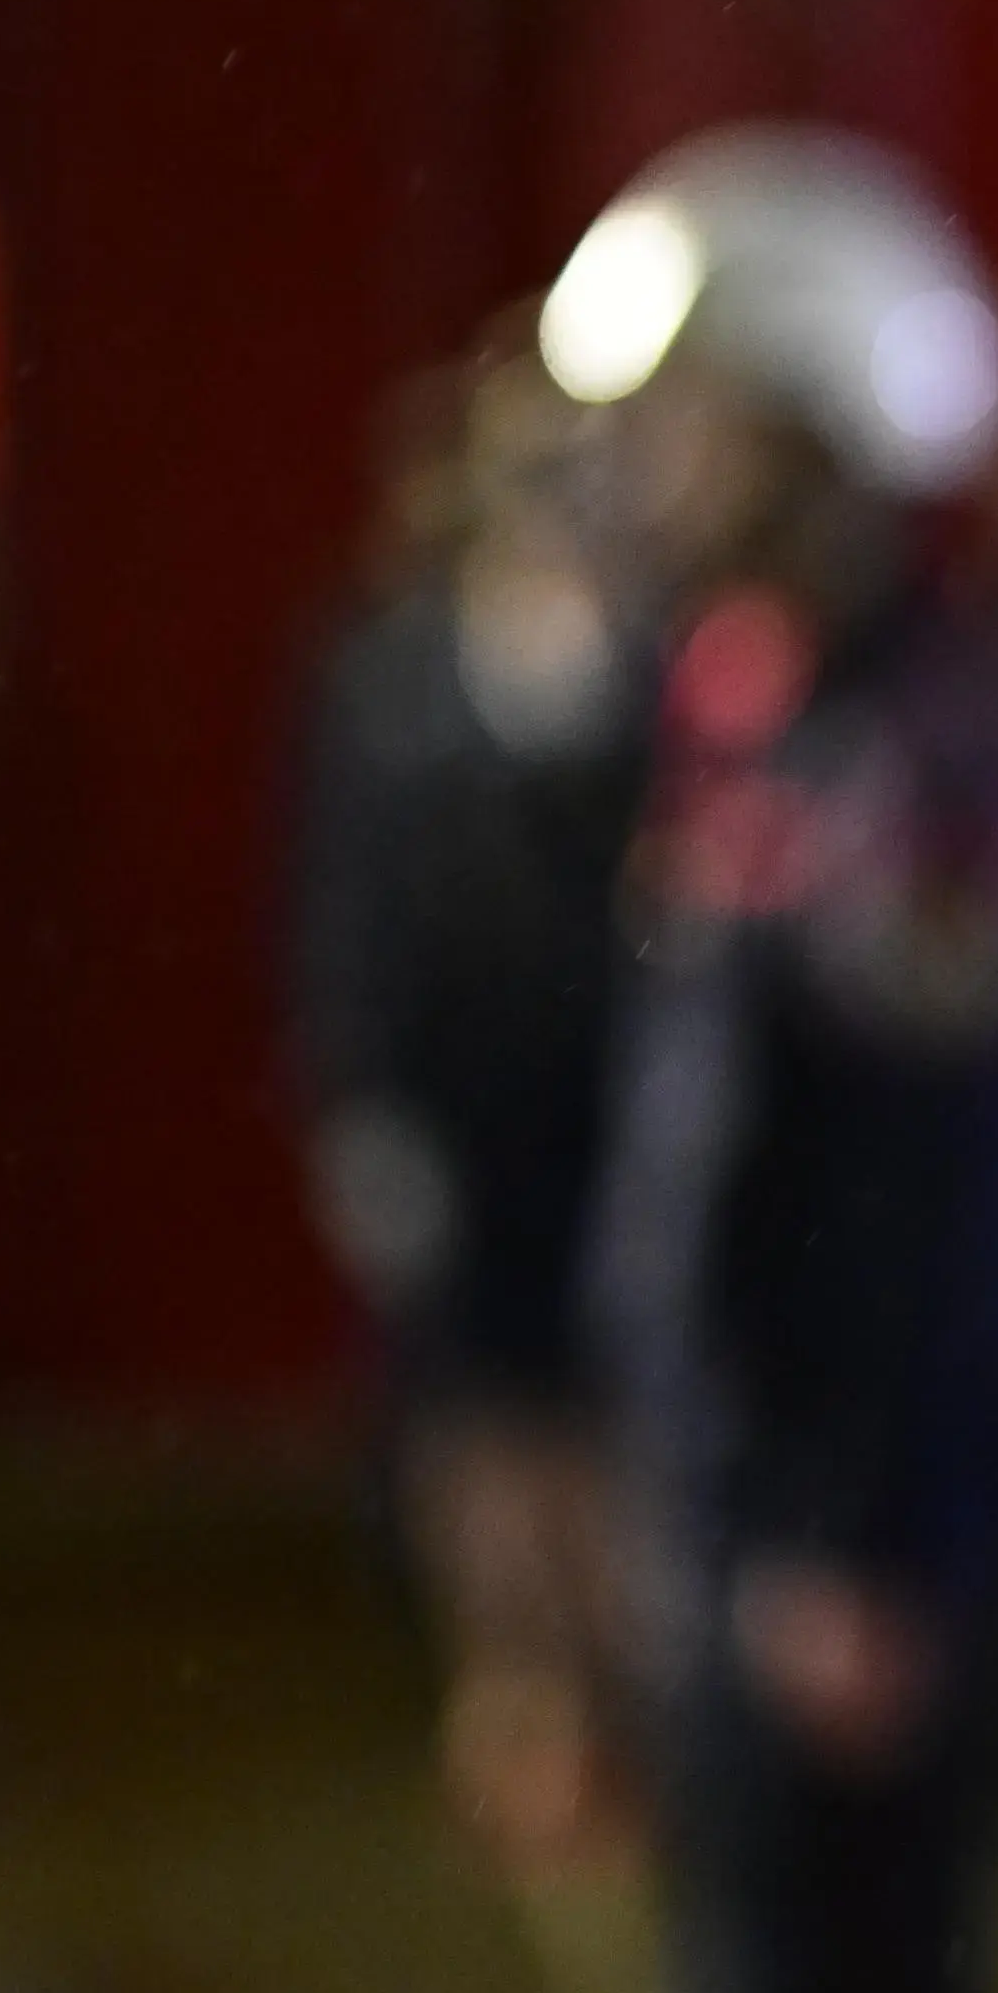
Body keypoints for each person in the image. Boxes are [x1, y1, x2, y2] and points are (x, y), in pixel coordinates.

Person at [551, 125, 998, 1993]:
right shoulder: (756, 710)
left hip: (837, 1551)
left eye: (686, 419)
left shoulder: (930, 754)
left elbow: (951, 1193)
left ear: (815, 432)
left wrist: (871, 1532)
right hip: (740, 1510)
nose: (641, 467)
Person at [288, 327, 656, 1878]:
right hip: (465, 1111)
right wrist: (361, 1104)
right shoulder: (389, 667)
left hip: (623, 1111)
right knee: (477, 1428)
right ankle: (515, 1704)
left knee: (615, 1433)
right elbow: (339, 898)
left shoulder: (671, 667)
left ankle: (625, 1728)